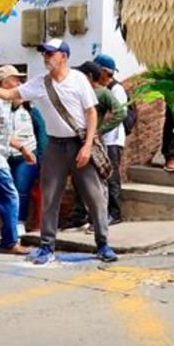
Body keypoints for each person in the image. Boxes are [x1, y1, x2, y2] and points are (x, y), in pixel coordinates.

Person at [0, 39, 116, 265]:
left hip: (78, 142)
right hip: (55, 146)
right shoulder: (39, 83)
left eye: (50, 53)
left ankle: (103, 244)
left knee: (94, 196)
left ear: (63, 56)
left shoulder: (78, 80)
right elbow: (10, 94)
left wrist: (86, 146)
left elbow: (91, 113)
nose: (46, 57)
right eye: (44, 53)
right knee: (50, 196)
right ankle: (47, 246)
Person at [66, 61, 128, 230]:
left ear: (89, 76)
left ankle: (98, 219)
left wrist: (100, 130)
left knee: (97, 181)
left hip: (93, 144)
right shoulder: (79, 92)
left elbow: (121, 112)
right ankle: (80, 217)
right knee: (79, 181)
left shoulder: (102, 93)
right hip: (77, 141)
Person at [0, 66, 34, 255]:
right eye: (15, 79)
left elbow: (4, 134)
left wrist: (22, 148)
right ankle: (9, 242)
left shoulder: (6, 104)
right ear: (4, 82)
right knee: (11, 198)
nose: (19, 83)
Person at [92, 55, 129, 224]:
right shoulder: (97, 89)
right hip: (102, 140)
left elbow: (118, 114)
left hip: (112, 140)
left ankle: (115, 213)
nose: (109, 78)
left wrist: (101, 130)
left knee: (112, 176)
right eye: (108, 74)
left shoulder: (116, 89)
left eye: (111, 74)